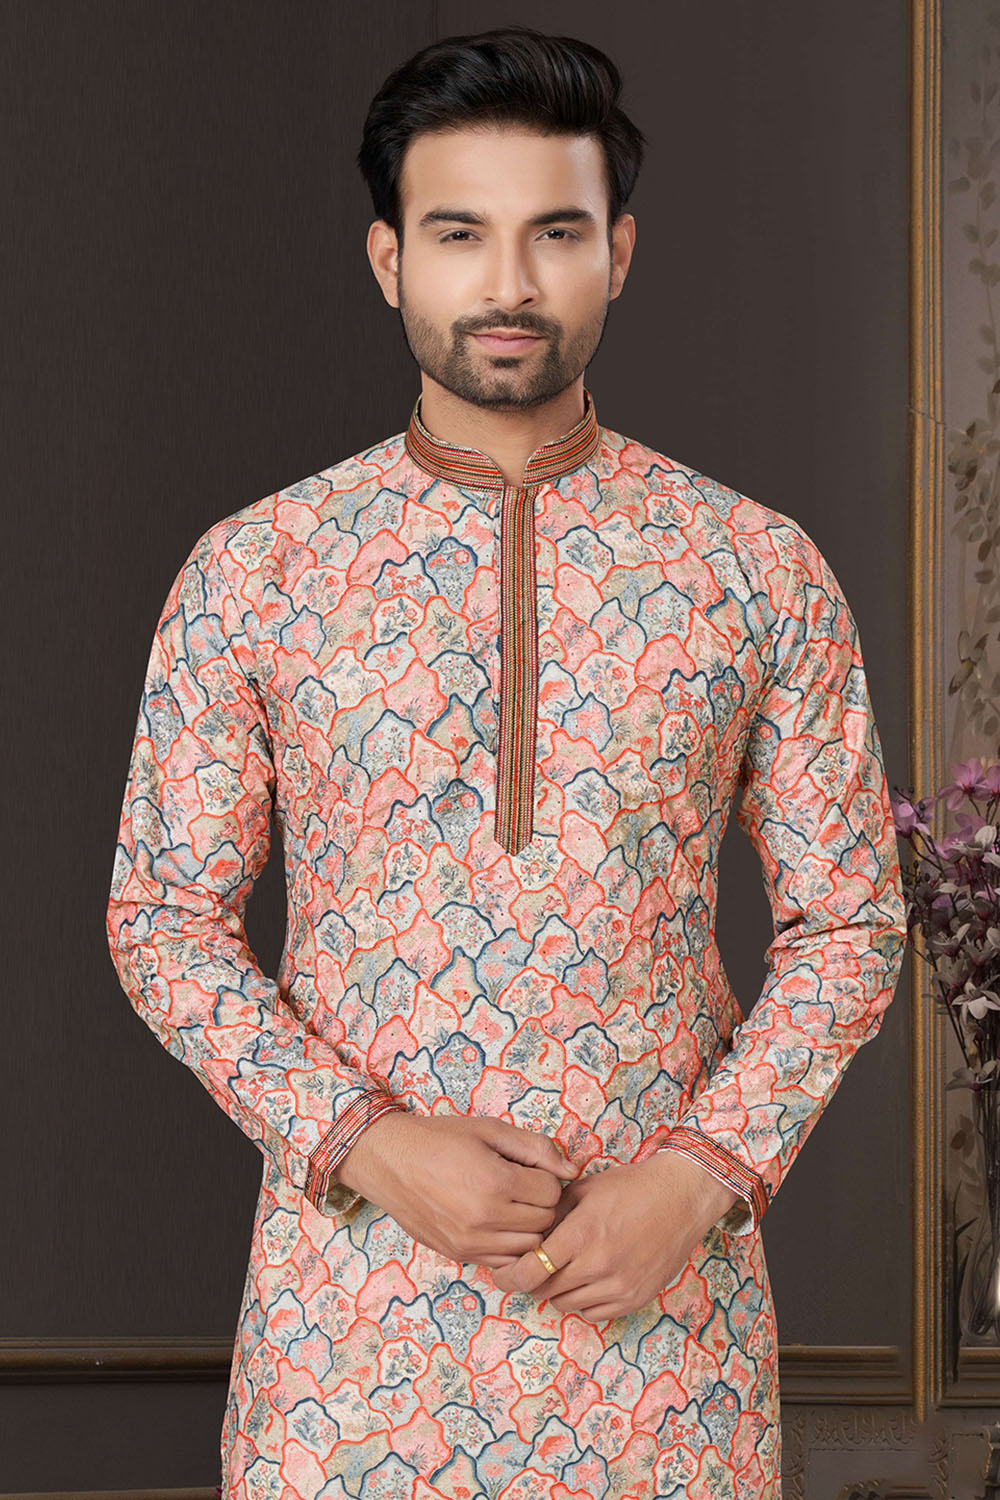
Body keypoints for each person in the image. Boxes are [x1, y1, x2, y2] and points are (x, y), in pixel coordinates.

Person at [105, 24, 906, 1500]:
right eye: (460, 232)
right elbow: (164, 920)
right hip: (351, 1326)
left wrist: (700, 1178)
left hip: (659, 1314)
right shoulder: (256, 572)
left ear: (621, 253)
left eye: (558, 232)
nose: (512, 283)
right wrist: (369, 1145)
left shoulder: (755, 568)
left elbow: (851, 926)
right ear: (389, 259)